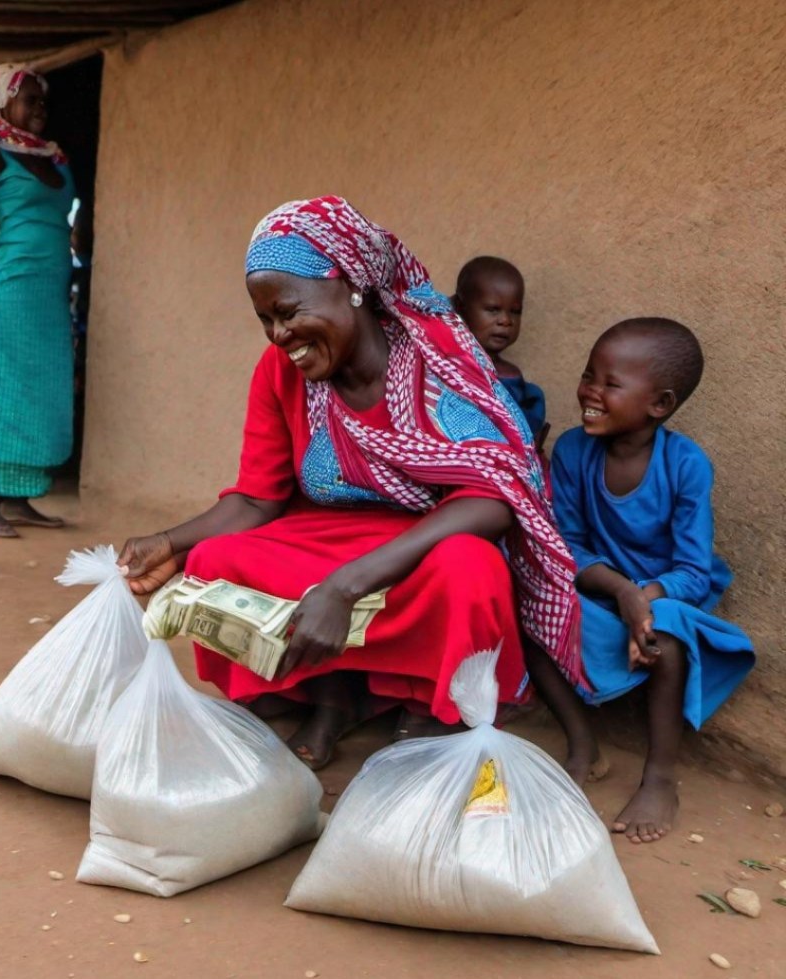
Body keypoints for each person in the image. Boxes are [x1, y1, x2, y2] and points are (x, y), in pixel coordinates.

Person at [118, 197, 583, 770]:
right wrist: (168, 543)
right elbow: (258, 497)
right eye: (265, 320)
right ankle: (331, 696)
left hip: (423, 547)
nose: (280, 335)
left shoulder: (434, 358)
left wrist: (345, 587)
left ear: (351, 286)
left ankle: (429, 707)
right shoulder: (280, 373)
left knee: (473, 571)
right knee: (213, 561)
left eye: (288, 311)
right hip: (322, 538)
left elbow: (494, 495)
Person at [526, 318, 754, 844]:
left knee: (666, 639)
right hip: (606, 589)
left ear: (659, 404)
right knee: (534, 610)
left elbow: (694, 573)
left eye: (611, 383)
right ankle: (584, 745)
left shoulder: (686, 465)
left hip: (670, 596)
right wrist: (623, 593)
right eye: (589, 375)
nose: (590, 392)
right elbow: (569, 545)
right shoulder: (575, 452)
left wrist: (645, 600)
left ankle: (660, 778)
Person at [0, 63, 75, 538]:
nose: (39, 107)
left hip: (50, 296)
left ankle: (20, 498)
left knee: (43, 395)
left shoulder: (55, 158)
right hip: (14, 290)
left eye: (42, 99)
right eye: (28, 98)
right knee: (6, 391)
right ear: (1, 104)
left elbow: (69, 224)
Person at [452, 256, 549, 449]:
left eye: (515, 311)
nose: (506, 320)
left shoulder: (512, 377)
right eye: (493, 309)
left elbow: (523, 435)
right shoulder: (446, 364)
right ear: (461, 308)